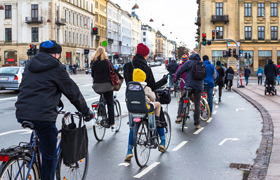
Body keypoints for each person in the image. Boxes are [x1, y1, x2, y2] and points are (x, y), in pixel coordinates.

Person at [15, 40, 93, 180]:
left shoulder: (29, 65)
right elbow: (72, 92)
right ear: (56, 55)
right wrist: (86, 111)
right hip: (43, 117)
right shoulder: (56, 67)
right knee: (49, 157)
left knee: (38, 136)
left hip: (22, 112)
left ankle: (30, 159)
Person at [123, 43, 168, 161]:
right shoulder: (146, 68)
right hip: (145, 101)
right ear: (146, 54)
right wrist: (163, 81)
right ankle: (162, 141)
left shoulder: (127, 66)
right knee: (158, 110)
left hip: (131, 102)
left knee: (133, 126)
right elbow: (152, 86)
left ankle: (129, 150)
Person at [91, 46, 123, 132]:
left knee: (102, 97)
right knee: (110, 103)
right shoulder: (108, 62)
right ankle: (112, 125)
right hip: (107, 86)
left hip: (96, 86)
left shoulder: (93, 63)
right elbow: (114, 71)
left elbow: (92, 75)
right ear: (104, 53)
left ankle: (102, 112)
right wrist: (121, 77)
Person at [175, 51, 204, 129]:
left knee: (182, 99)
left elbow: (180, 71)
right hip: (198, 87)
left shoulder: (189, 62)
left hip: (189, 85)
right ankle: (197, 124)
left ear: (191, 56)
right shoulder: (201, 63)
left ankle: (179, 117)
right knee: (197, 104)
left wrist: (176, 79)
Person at [173, 54, 189, 121]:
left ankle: (179, 116)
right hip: (191, 85)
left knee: (181, 100)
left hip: (183, 85)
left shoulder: (180, 67)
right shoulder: (190, 66)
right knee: (192, 99)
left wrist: (174, 81)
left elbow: (176, 75)